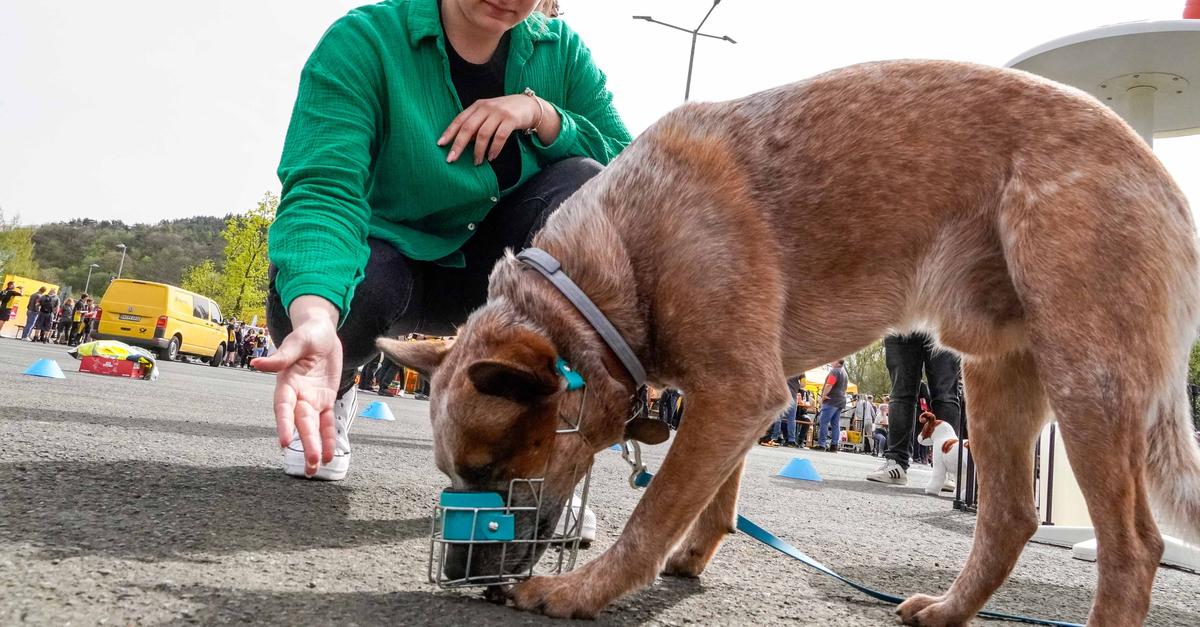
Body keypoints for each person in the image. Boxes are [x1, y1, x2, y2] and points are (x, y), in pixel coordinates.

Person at [252, 0, 631, 483]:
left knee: (585, 182)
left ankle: (544, 435)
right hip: (381, 263)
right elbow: (325, 190)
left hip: (498, 279)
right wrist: (315, 318)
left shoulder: (562, 53)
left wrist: (542, 113)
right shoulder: (364, 40)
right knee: (352, 289)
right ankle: (338, 378)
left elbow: (629, 167)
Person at [866, 332, 963, 485]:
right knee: (901, 392)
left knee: (945, 395)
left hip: (943, 320)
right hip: (902, 321)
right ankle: (896, 463)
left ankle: (949, 468)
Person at [814, 359, 849, 452]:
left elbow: (829, 384)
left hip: (831, 400)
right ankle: (834, 445)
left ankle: (821, 444)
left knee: (823, 422)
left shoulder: (835, 371)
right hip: (841, 400)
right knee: (835, 423)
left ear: (837, 362)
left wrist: (823, 396)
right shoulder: (844, 373)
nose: (831, 361)